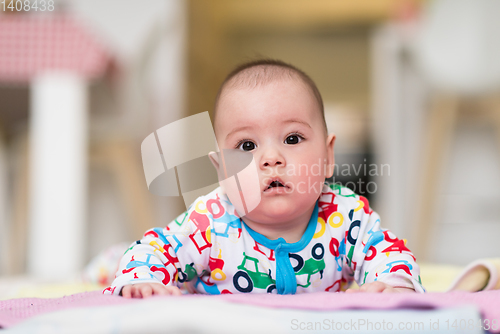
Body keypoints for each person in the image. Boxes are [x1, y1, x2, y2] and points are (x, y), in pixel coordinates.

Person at [104, 59, 425, 298]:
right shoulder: (209, 222)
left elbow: (386, 250)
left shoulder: (347, 217)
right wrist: (143, 279)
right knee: (122, 262)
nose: (271, 159)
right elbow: (157, 247)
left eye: (293, 138)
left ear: (328, 158)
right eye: (247, 146)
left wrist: (392, 282)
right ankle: (108, 263)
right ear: (222, 170)